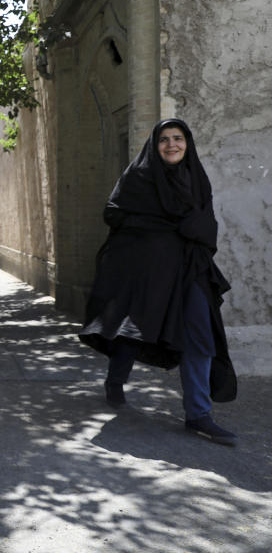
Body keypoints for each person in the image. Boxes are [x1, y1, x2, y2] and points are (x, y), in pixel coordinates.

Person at [79, 118, 237, 446]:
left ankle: (198, 415)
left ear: (187, 143)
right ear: (155, 144)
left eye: (178, 138)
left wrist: (192, 228)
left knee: (200, 334)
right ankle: (115, 380)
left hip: (190, 269)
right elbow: (114, 213)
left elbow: (207, 223)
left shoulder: (197, 178)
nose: (171, 145)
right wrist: (157, 228)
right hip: (147, 270)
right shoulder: (139, 176)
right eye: (164, 139)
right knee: (135, 329)